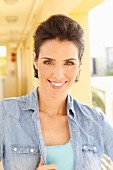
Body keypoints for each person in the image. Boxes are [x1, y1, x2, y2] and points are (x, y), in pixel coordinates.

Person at [0, 14, 113, 170]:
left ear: (80, 63)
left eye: (69, 63)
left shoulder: (96, 122)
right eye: (48, 62)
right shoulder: (5, 115)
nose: (58, 74)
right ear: (35, 60)